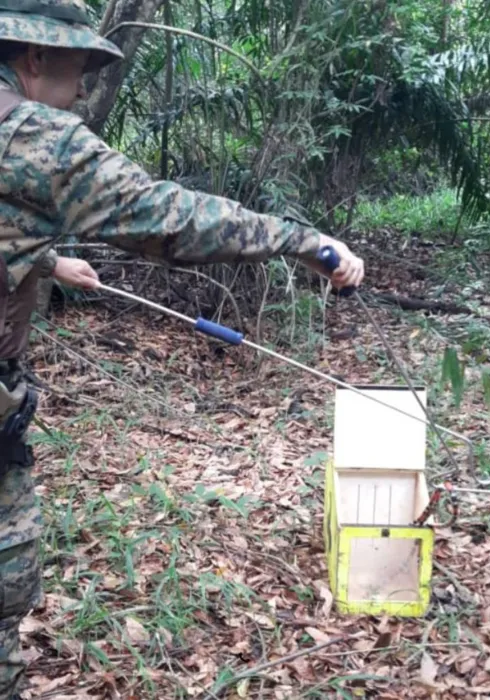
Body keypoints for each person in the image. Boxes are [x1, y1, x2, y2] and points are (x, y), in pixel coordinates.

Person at [0, 1, 364, 697]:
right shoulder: (33, 135)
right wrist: (305, 242)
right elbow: (171, 218)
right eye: (78, 69)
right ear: (35, 57)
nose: (81, 93)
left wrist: (46, 262)